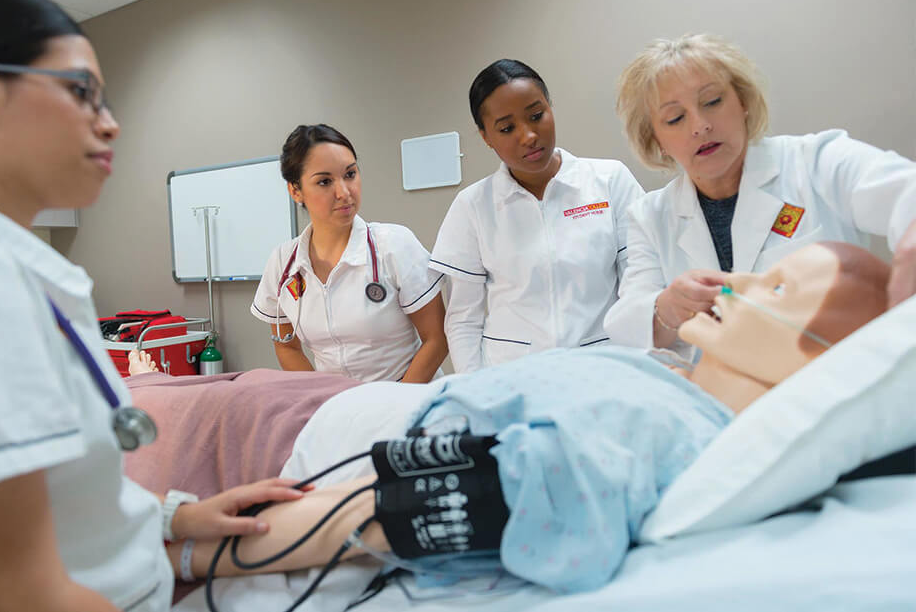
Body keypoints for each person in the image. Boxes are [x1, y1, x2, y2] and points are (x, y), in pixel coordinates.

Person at [176, 241, 895, 595]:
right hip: (315, 401)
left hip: (291, 434)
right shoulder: (667, 382)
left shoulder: (658, 427)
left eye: (776, 288)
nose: (733, 284)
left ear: (818, 356)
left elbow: (366, 513)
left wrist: (175, 554)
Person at [0, 0, 307, 612]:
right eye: (81, 92)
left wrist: (177, 516)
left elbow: (56, 498)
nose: (111, 123)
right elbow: (11, 597)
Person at [603, 33, 916, 353]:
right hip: (724, 383)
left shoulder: (816, 161)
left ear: (743, 102)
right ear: (656, 141)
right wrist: (667, 307)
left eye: (712, 101)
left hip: (837, 369)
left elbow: (906, 190)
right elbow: (629, 325)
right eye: (675, 118)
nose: (700, 125)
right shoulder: (650, 218)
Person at [429, 59, 645, 373]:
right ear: (486, 136)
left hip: (603, 368)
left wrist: (638, 369)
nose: (529, 135)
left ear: (550, 107)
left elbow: (640, 287)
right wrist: (474, 388)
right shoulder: (473, 206)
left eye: (536, 115)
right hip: (513, 377)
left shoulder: (609, 181)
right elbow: (464, 320)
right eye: (507, 128)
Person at [251, 124, 447, 383]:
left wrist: (395, 399)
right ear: (295, 190)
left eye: (350, 174)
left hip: (409, 394)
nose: (344, 192)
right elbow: (287, 347)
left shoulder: (394, 245)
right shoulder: (282, 263)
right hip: (337, 401)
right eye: (324, 181)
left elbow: (437, 339)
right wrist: (322, 398)